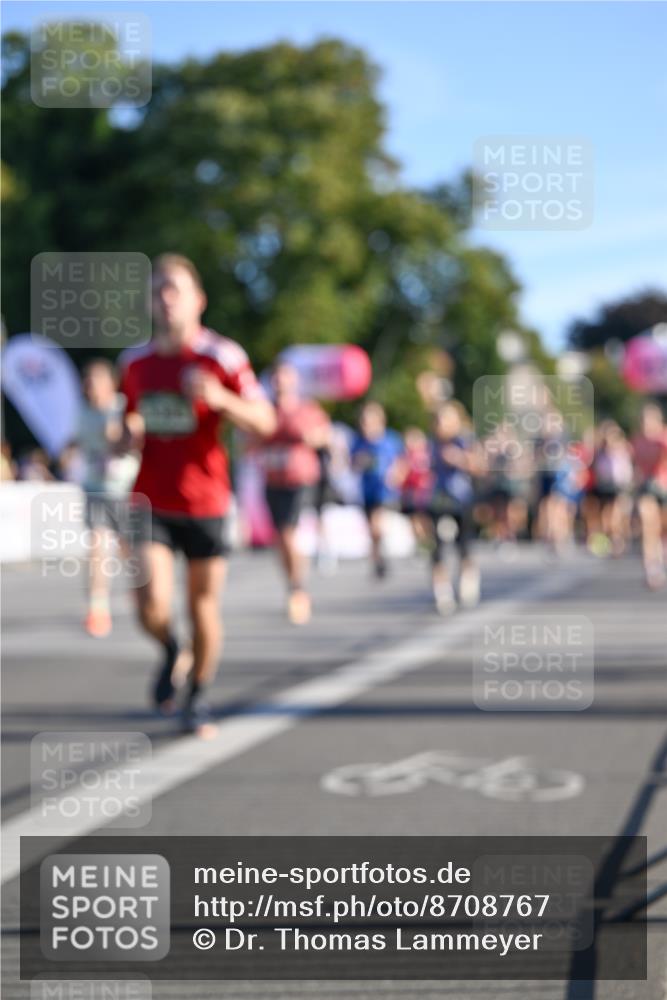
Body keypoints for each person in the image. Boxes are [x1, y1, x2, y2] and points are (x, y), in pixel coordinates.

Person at [120, 254, 276, 736]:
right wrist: (124, 433)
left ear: (198, 300)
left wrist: (221, 398)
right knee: (149, 605)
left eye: (174, 290)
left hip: (206, 501)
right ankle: (171, 649)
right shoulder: (135, 362)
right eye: (157, 291)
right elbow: (128, 423)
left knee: (202, 606)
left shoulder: (222, 357)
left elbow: (266, 422)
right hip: (149, 499)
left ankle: (199, 694)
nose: (165, 299)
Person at [258, 362, 331, 624]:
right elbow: (249, 441)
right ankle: (293, 583)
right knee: (280, 537)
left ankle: (297, 588)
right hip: (272, 478)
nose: (280, 383)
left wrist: (308, 436)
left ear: (294, 382)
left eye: (285, 378)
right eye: (275, 378)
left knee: (288, 533)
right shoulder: (263, 410)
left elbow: (325, 436)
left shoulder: (307, 409)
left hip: (299, 478)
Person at [77, 358, 138, 637]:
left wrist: (120, 433)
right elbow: (81, 443)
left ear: (111, 383)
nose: (93, 389)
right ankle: (97, 607)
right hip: (95, 488)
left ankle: (140, 591)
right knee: (97, 546)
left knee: (129, 549)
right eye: (88, 383)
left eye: (98, 382)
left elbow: (134, 439)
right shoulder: (83, 413)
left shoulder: (125, 406)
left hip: (126, 489)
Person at [428, 400, 482, 615]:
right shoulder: (430, 444)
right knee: (438, 548)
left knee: (464, 547)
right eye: (440, 420)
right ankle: (442, 592)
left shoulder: (464, 441)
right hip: (438, 500)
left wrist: (459, 459)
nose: (443, 424)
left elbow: (478, 467)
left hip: (462, 500)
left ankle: (468, 580)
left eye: (447, 419)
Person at [350, 401, 403, 578]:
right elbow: (352, 465)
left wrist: (396, 474)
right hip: (367, 490)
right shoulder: (358, 442)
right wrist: (360, 461)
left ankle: (379, 555)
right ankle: (378, 558)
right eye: (364, 421)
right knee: (372, 529)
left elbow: (401, 461)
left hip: (385, 490)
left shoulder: (390, 439)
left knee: (376, 524)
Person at [631, 403, 667, 589]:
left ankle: (661, 555)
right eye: (643, 421)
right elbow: (637, 466)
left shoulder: (663, 439)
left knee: (662, 528)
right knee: (647, 524)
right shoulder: (637, 441)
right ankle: (651, 567)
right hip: (647, 487)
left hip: (664, 486)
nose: (646, 425)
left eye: (649, 421)